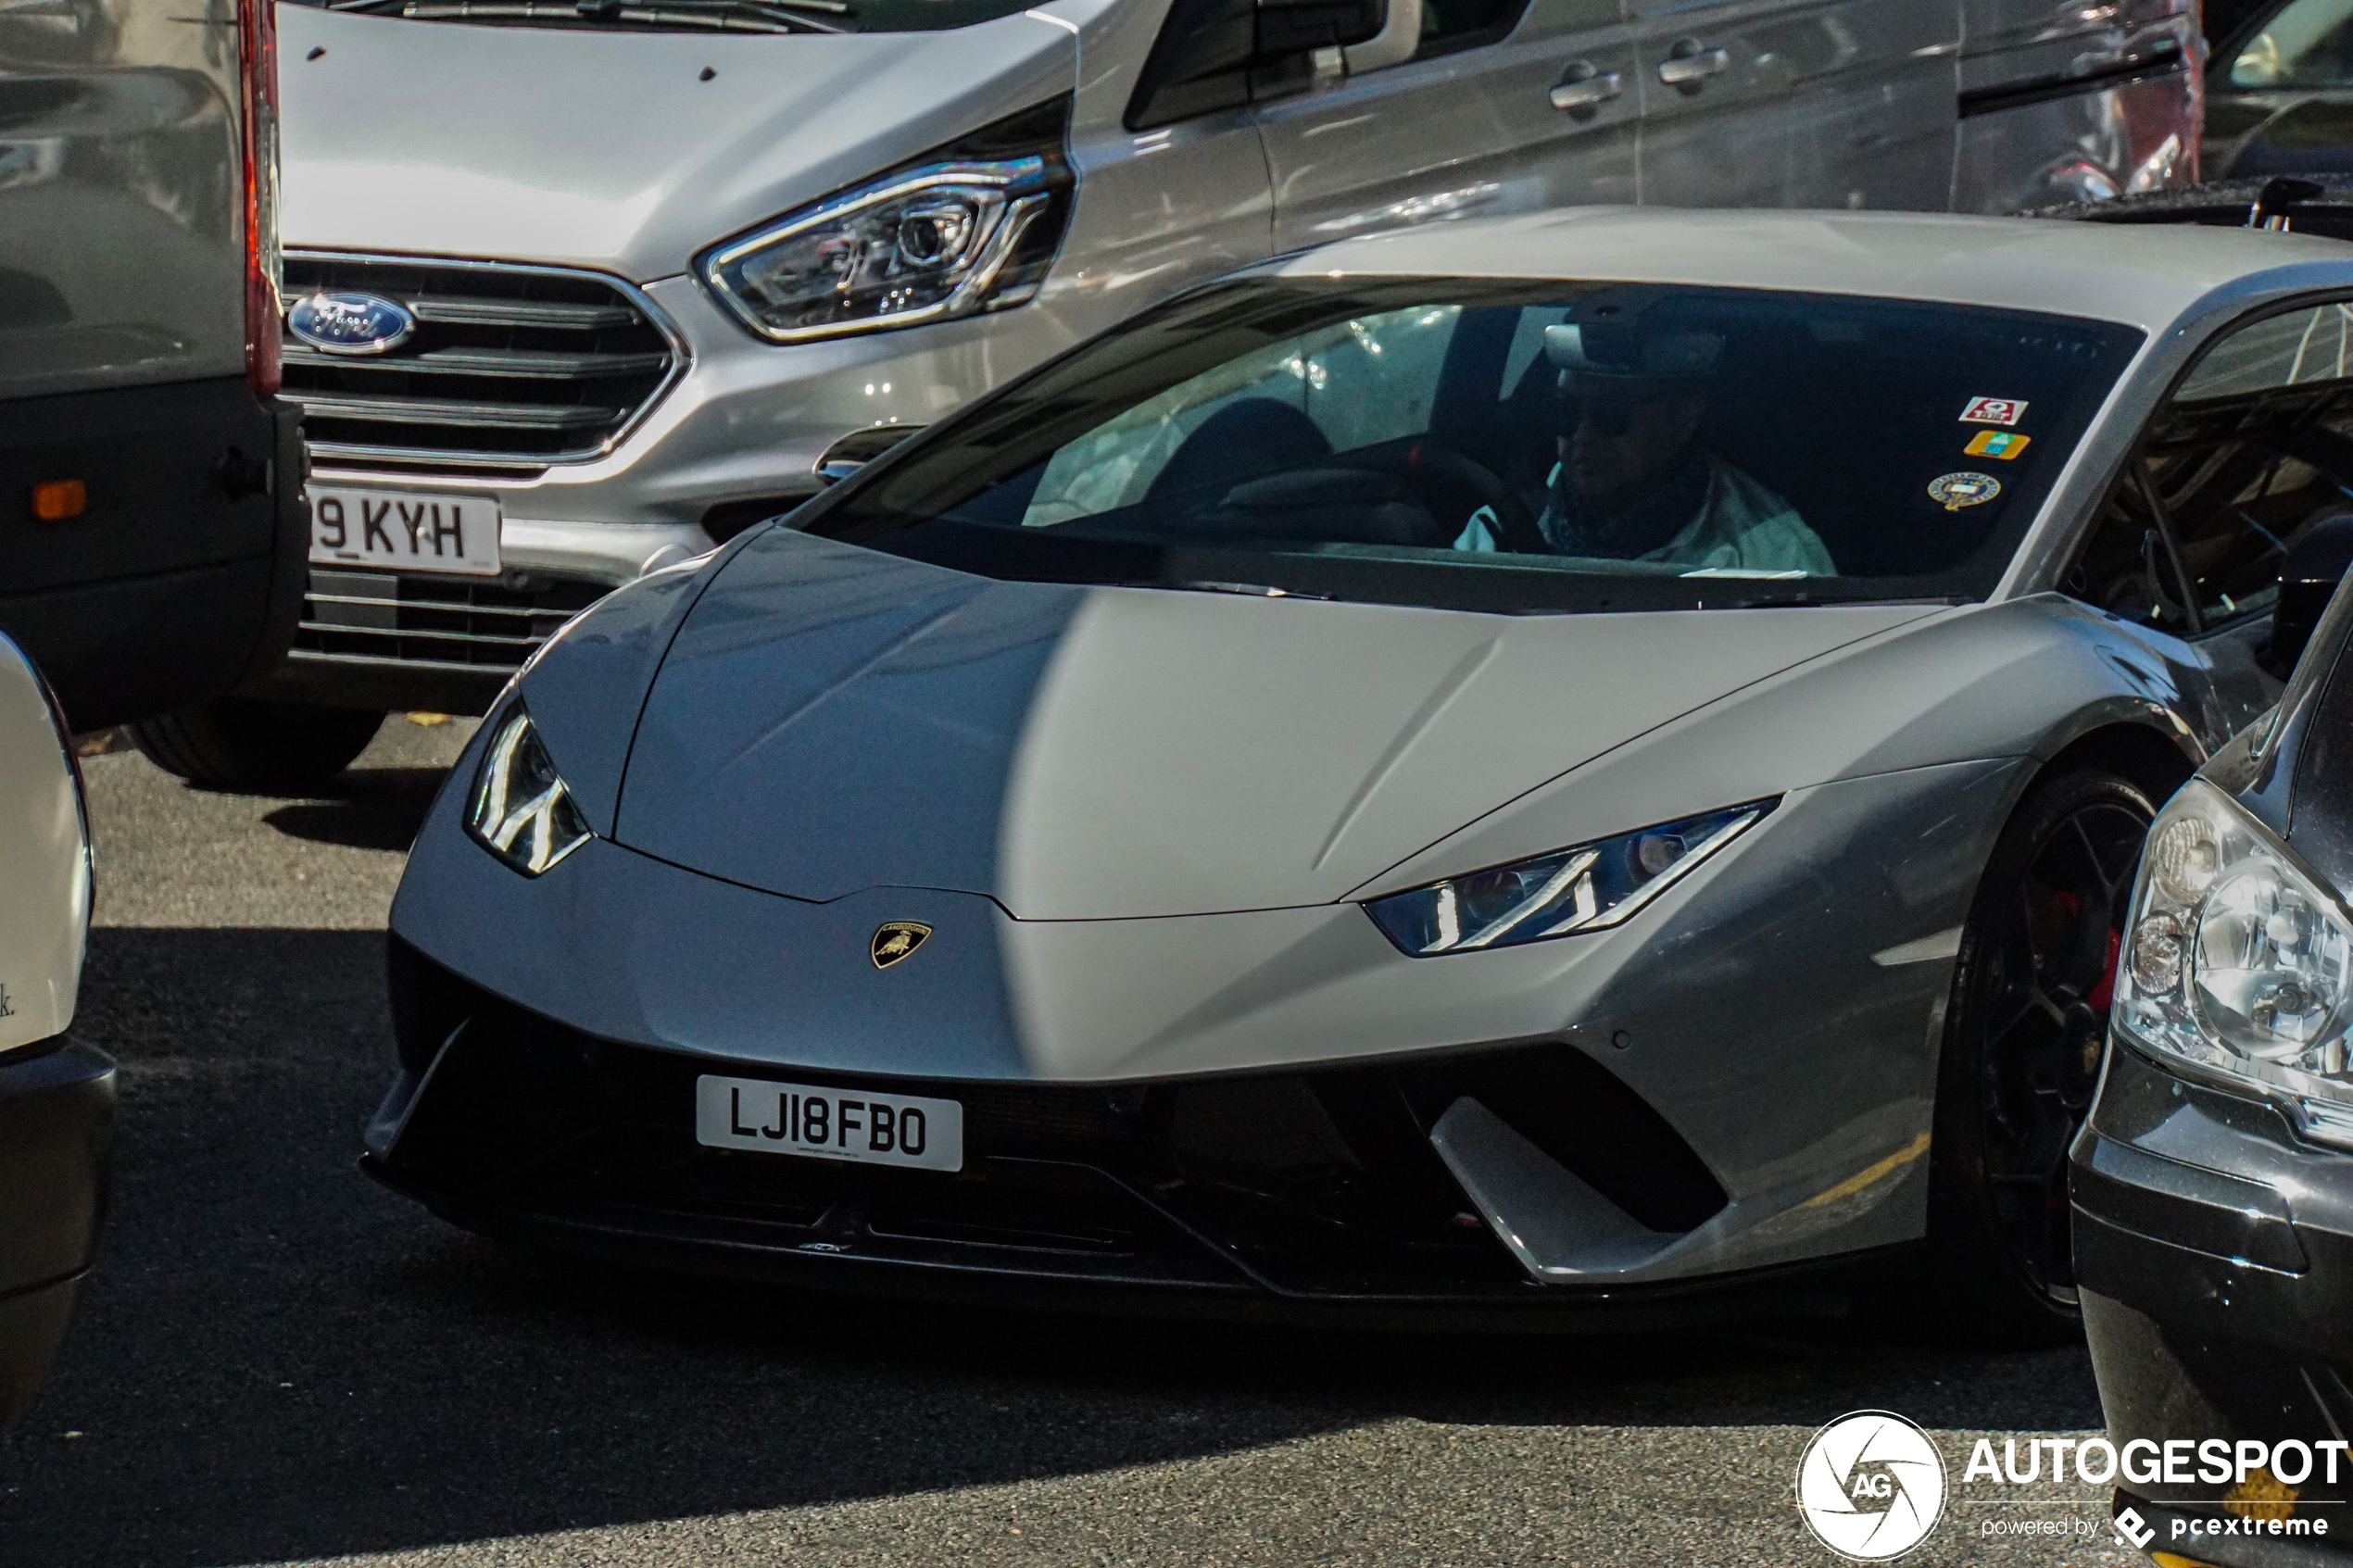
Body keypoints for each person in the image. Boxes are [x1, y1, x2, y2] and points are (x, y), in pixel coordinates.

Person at [1453, 322, 1834, 574]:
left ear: (1685, 417)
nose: (1583, 435)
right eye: (1565, 412)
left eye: (1612, 415)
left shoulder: (1772, 557)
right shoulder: (1499, 531)